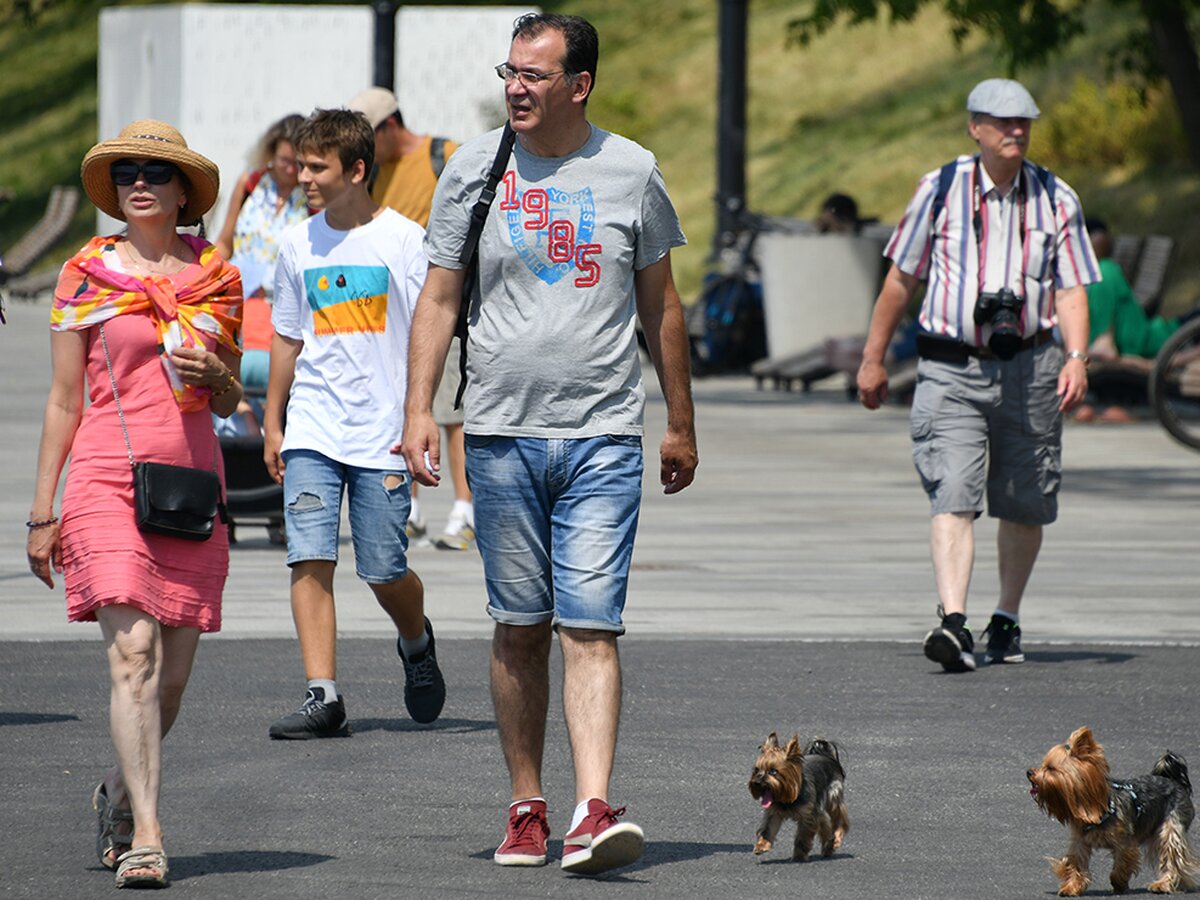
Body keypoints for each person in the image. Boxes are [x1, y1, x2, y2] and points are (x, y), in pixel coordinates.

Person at [402, 13, 698, 875]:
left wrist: (678, 420)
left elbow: (662, 305)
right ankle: (527, 804)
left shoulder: (632, 171)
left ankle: (592, 806)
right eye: (510, 72)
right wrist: (419, 409)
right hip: (497, 434)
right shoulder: (473, 167)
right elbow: (439, 299)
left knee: (591, 626)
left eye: (535, 74)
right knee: (519, 628)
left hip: (604, 433)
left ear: (581, 84)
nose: (517, 87)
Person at [26, 120, 243, 888]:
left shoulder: (219, 276)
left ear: (184, 191)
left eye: (155, 170)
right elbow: (61, 400)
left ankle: (118, 797)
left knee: (171, 680)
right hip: (104, 481)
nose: (139, 182)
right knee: (134, 655)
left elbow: (231, 395)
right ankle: (149, 833)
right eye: (125, 173)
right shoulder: (84, 274)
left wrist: (215, 368)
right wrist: (42, 508)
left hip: (187, 483)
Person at [856, 78, 1098, 673]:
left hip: (1034, 366)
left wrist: (1077, 356)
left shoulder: (1055, 197)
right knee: (953, 492)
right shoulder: (939, 190)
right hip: (950, 367)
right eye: (1002, 121)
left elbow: (1070, 287)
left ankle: (1007, 616)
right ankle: (954, 622)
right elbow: (900, 280)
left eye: (1024, 123)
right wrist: (872, 356)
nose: (1015, 131)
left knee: (1024, 499)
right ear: (976, 127)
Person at [263, 108, 445, 740]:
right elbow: (287, 336)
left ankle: (416, 642)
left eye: (317, 166)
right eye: (301, 164)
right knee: (308, 555)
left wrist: (420, 414)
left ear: (357, 169)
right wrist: (272, 421)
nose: (303, 176)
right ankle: (323, 695)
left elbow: (431, 330)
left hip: (383, 433)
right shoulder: (296, 242)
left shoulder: (404, 240)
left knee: (382, 568)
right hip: (313, 425)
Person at [348, 86, 474, 550]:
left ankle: (465, 510)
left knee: (452, 412)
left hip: (445, 305)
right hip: (393, 308)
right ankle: (412, 510)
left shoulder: (446, 156)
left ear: (391, 126)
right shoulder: (372, 173)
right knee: (404, 403)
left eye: (367, 136)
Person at [214, 114, 311, 389]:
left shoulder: (311, 199)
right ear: (271, 154)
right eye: (284, 161)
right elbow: (225, 240)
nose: (291, 170)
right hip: (240, 302)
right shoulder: (251, 184)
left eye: (298, 163)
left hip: (284, 307)